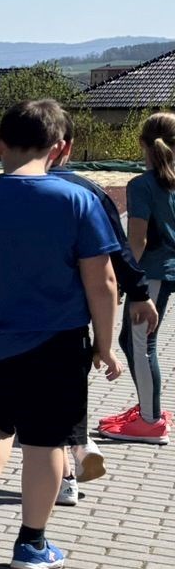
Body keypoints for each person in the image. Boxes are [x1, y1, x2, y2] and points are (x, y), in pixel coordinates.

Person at [0, 99, 123, 569]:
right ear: (63, 148)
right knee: (45, 442)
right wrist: (105, 342)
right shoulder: (78, 200)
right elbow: (103, 281)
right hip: (55, 341)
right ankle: (32, 545)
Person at [43, 119, 161, 497]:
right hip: (77, 309)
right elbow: (119, 249)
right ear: (67, 147)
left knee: (36, 406)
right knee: (69, 383)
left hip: (20, 311)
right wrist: (134, 295)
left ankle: (68, 470)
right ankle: (79, 447)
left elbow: (130, 243)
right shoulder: (87, 189)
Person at [97, 110, 175, 445]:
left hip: (152, 274)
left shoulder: (142, 185)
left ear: (142, 143)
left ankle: (150, 421)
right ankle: (149, 408)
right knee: (133, 342)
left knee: (141, 345)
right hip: (164, 271)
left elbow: (138, 239)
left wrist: (122, 282)